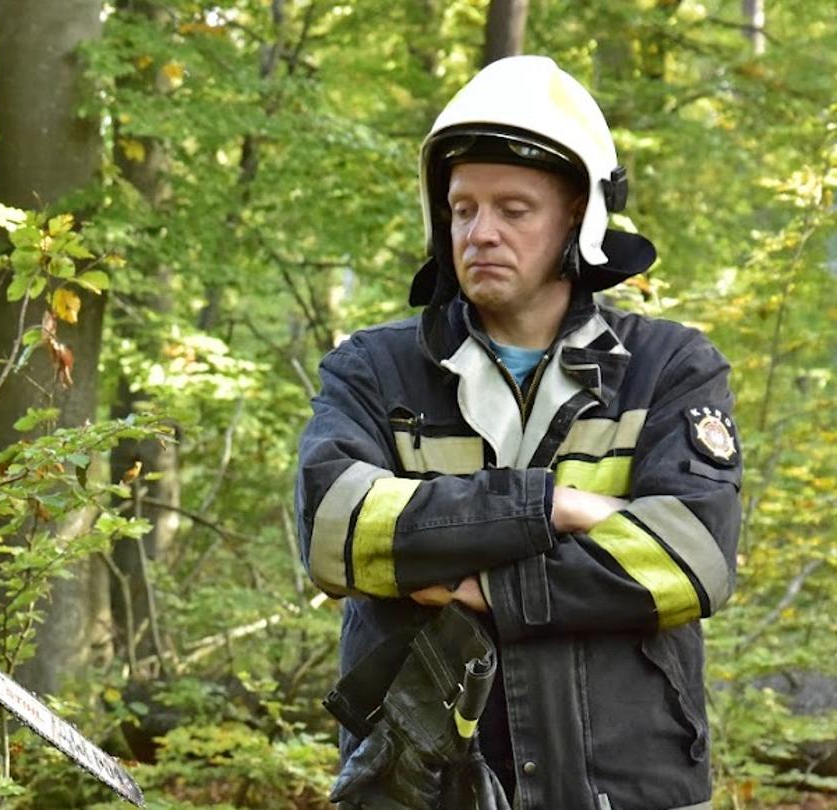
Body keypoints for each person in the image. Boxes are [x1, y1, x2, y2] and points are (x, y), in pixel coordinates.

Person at [295, 55, 741, 810]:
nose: (480, 232)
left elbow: (692, 558)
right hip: (414, 788)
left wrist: (476, 584)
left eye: (514, 208)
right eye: (463, 208)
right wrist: (554, 507)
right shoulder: (373, 370)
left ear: (578, 213)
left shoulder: (669, 368)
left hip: (627, 789)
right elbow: (338, 531)